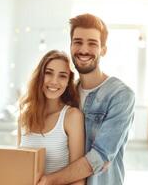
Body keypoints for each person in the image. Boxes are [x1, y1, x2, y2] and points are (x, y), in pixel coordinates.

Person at [37, 14, 135, 185]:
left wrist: (48, 181)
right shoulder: (65, 93)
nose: (83, 50)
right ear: (70, 46)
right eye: (78, 42)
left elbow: (99, 158)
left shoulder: (120, 95)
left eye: (92, 43)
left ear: (103, 50)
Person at [18, 50, 85, 185]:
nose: (54, 81)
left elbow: (78, 179)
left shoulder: (72, 117)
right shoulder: (24, 116)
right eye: (48, 73)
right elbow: (19, 168)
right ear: (40, 76)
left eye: (62, 76)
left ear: (68, 82)